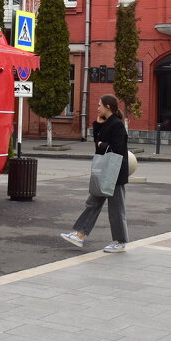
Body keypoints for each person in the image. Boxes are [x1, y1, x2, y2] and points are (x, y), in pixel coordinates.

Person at [60, 94, 130, 253]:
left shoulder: (117, 125)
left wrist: (101, 144)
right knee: (93, 203)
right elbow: (98, 142)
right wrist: (98, 125)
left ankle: (120, 242)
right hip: (104, 172)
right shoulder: (107, 123)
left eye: (100, 105)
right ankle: (80, 235)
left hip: (115, 174)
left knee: (116, 209)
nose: (97, 108)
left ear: (108, 107)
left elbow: (117, 149)